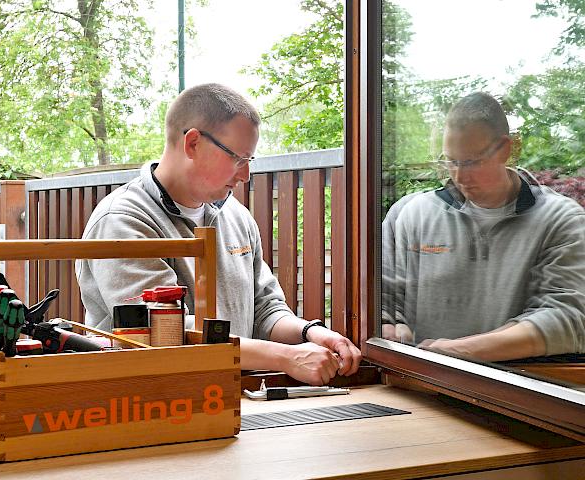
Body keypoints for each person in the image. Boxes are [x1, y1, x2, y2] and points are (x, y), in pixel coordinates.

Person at [77, 83, 361, 385]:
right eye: (238, 158)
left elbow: (264, 311)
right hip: (146, 405)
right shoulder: (122, 220)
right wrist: (284, 357)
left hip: (229, 401)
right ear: (193, 143)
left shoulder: (236, 216)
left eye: (249, 161)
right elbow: (166, 333)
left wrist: (312, 333)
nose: (245, 175)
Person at [381, 92, 585, 361]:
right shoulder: (409, 214)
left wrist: (459, 352)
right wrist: (389, 328)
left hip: (518, 392)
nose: (460, 176)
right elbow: (380, 300)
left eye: (472, 162)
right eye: (451, 161)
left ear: (505, 149)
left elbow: (570, 318)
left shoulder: (560, 219)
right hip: (419, 384)